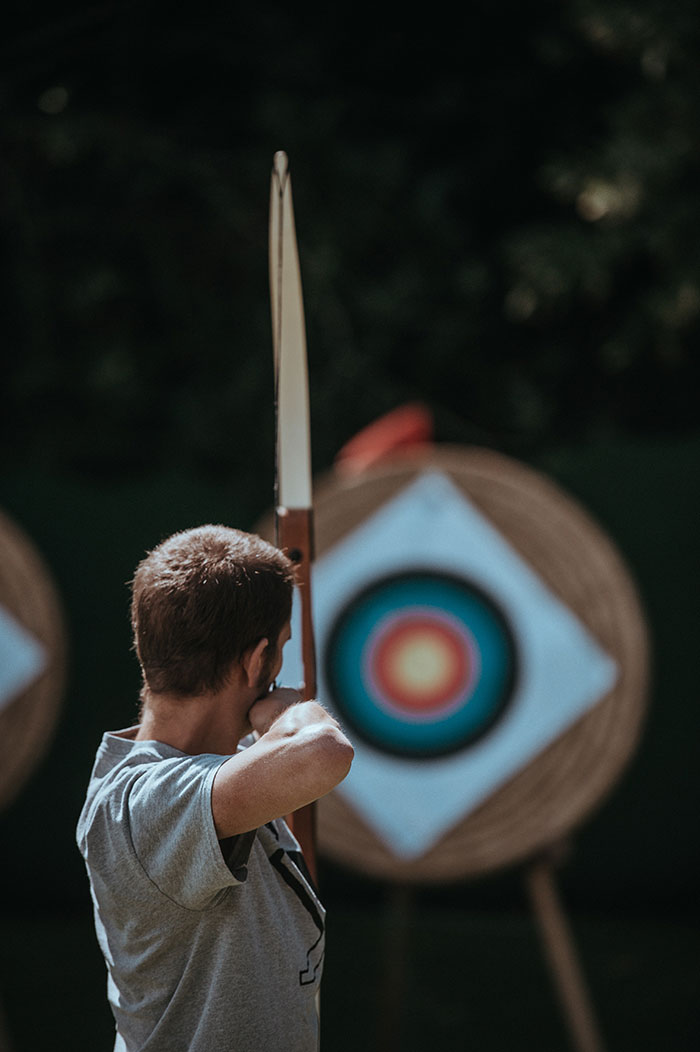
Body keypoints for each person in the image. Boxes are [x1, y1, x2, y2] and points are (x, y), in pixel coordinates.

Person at [76, 524, 354, 1052]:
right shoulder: (140, 801)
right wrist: (290, 713)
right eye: (281, 652)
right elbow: (325, 753)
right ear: (257, 659)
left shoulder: (221, 772)